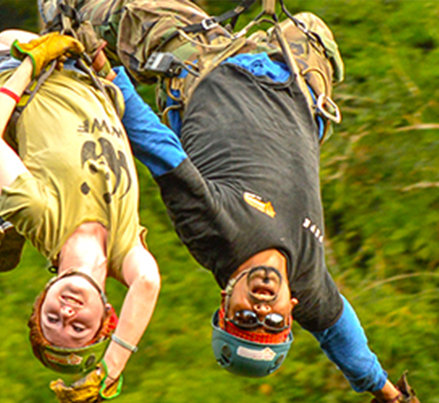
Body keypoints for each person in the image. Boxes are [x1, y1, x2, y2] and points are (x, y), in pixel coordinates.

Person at [82, 0, 420, 401]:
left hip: (205, 66)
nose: (261, 310)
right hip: (293, 74)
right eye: (272, 322)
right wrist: (389, 394)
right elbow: (341, 340)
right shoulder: (309, 287)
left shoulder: (214, 236)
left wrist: (106, 73)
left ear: (226, 298)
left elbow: (159, 148)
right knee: (318, 31)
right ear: (292, 311)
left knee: (105, 11)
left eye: (244, 318)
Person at [0, 21, 159, 401]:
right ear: (108, 316)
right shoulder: (125, 253)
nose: (68, 313)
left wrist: (31, 63)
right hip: (79, 77)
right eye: (78, 328)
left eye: (52, 318)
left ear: (42, 297)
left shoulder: (39, 216)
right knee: (9, 35)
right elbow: (147, 285)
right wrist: (109, 372)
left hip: (19, 85)